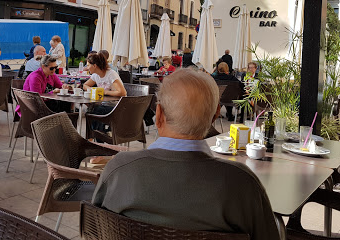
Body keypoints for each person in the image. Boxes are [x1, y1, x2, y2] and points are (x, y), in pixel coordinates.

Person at [92, 68, 280, 240]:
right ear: (215, 116)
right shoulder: (243, 184)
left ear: (158, 115)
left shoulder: (118, 171)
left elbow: (95, 229)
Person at [83, 53, 127, 133]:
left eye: (88, 65)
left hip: (117, 106)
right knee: (91, 111)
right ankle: (98, 136)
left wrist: (105, 92)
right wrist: (91, 90)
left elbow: (122, 93)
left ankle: (95, 137)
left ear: (95, 66)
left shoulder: (111, 74)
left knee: (95, 111)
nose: (87, 68)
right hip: (105, 104)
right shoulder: (96, 75)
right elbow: (85, 85)